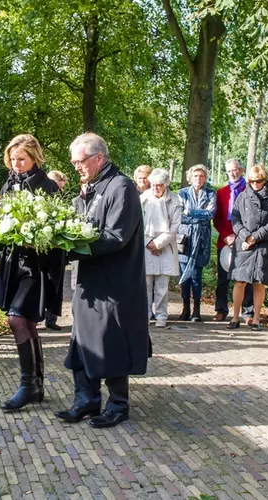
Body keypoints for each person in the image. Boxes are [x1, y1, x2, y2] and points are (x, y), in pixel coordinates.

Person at [56, 132, 149, 429]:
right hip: (89, 280)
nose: (76, 167)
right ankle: (86, 399)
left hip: (114, 283)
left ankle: (118, 404)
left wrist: (70, 246)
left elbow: (116, 237)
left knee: (112, 341)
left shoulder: (120, 187)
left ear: (98, 157)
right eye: (73, 163)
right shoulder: (90, 188)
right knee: (83, 339)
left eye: (80, 161)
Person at [0, 134, 64, 412]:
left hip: (37, 266)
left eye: (21, 159)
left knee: (17, 319)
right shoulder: (9, 183)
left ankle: (27, 384)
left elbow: (58, 228)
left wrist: (37, 240)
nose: (16, 164)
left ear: (35, 157)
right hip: (13, 263)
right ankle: (36, 384)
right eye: (12, 159)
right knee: (27, 323)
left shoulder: (47, 186)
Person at [228, 164, 268, 331]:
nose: (255, 184)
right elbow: (235, 219)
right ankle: (235, 317)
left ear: (265, 180)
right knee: (240, 282)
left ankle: (256, 318)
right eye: (252, 181)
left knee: (259, 282)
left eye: (259, 181)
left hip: (264, 246)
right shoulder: (243, 196)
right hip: (244, 245)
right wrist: (246, 236)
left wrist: (254, 237)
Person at [140, 168, 182, 328]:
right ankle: (145, 315)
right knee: (145, 285)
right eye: (153, 185)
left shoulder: (175, 200)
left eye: (159, 185)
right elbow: (137, 222)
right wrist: (148, 243)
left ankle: (161, 316)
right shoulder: (143, 198)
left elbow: (175, 226)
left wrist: (158, 244)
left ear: (165, 185)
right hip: (145, 245)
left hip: (166, 247)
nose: (156, 188)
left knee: (162, 287)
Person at [213, 159, 253, 322]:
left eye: (235, 170)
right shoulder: (221, 193)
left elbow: (252, 219)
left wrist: (239, 235)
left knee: (246, 277)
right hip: (225, 240)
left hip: (244, 238)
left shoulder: (249, 190)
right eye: (229, 171)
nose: (232, 173)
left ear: (242, 170)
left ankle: (247, 312)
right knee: (223, 278)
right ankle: (221, 309)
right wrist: (225, 235)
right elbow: (217, 219)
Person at [176, 164, 216, 322]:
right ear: (190, 177)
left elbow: (210, 214)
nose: (198, 179)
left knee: (197, 275)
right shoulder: (183, 193)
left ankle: (196, 309)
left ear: (205, 178)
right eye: (195, 176)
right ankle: (185, 307)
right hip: (185, 238)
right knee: (184, 274)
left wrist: (190, 212)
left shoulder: (210, 194)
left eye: (201, 176)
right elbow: (180, 215)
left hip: (202, 239)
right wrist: (198, 215)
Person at [43, 170, 69, 330]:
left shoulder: (64, 201)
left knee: (55, 283)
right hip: (42, 247)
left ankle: (51, 317)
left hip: (58, 249)